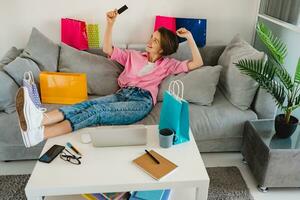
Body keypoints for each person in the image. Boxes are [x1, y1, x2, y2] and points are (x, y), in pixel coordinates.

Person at [15, 9, 204, 148]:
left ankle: (41, 133)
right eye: (151, 37)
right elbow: (108, 49)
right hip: (122, 94)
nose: (149, 41)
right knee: (86, 105)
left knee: (98, 112)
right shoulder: (133, 55)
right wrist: (110, 24)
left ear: (162, 49)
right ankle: (39, 121)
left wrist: (189, 37)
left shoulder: (168, 65)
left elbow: (197, 62)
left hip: (142, 101)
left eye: (154, 40)